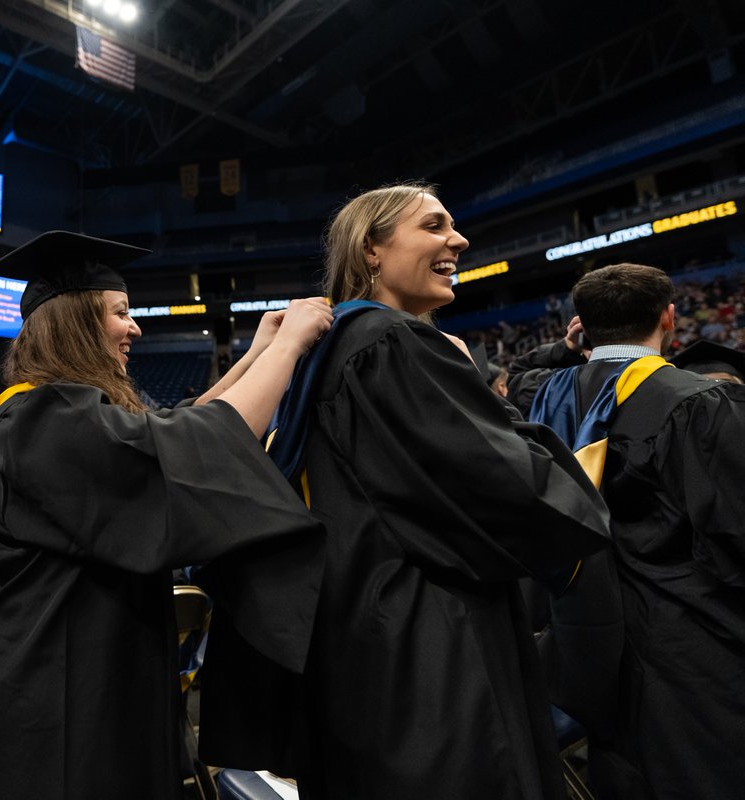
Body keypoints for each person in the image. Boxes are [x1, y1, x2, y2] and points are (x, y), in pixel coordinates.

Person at [199, 183, 611, 800]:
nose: (459, 240)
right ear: (372, 249)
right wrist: (477, 389)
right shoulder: (394, 344)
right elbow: (509, 488)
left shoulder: (323, 349)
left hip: (354, 643)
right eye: (435, 226)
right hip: (433, 648)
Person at [0, 231, 331, 800]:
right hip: (56, 692)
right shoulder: (45, 419)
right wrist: (287, 349)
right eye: (121, 312)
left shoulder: (51, 412)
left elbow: (174, 432)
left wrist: (254, 356)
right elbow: (193, 451)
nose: (135, 327)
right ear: (76, 322)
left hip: (82, 669)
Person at [528, 264, 745, 800]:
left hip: (581, 632)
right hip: (687, 643)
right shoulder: (697, 400)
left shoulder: (545, 398)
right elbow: (733, 536)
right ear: (669, 317)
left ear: (581, 326)